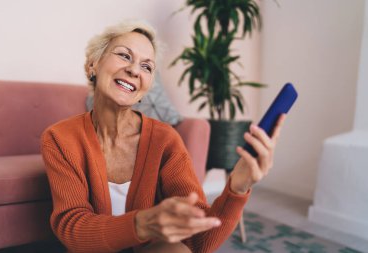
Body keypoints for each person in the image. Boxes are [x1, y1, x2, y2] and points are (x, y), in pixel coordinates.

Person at [41, 20, 286, 253]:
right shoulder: (60, 137)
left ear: (145, 87)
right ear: (92, 64)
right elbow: (72, 229)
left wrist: (238, 186)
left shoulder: (165, 139)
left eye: (146, 66)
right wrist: (141, 224)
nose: (134, 70)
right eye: (124, 55)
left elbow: (200, 242)